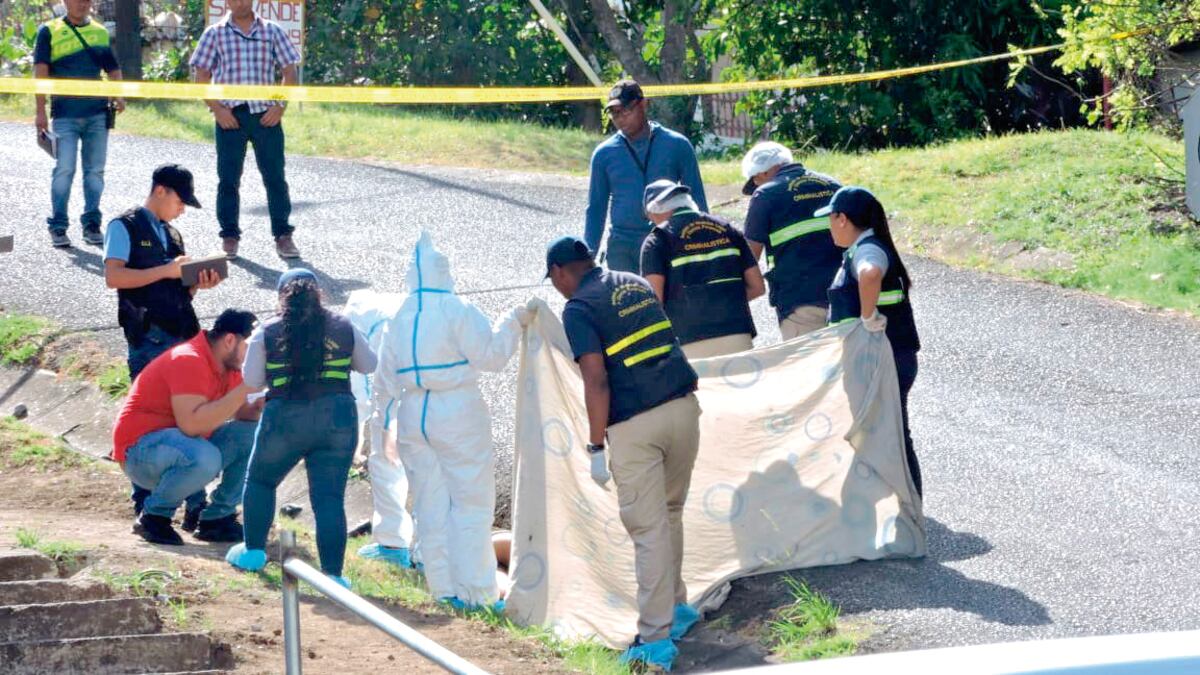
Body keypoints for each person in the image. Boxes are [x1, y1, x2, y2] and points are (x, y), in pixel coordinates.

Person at [546, 235, 702, 671]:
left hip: (638, 424)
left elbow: (596, 381)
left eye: (554, 280)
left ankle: (654, 639)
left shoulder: (578, 308)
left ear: (561, 272)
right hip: (684, 408)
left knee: (648, 530)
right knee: (670, 512)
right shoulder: (633, 282)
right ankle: (678, 608)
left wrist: (596, 444)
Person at [370, 232, 528, 609]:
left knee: (430, 505)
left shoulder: (399, 315)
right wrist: (514, 321)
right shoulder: (458, 310)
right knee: (471, 505)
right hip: (457, 413)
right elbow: (492, 357)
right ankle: (478, 594)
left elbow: (384, 382)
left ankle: (443, 589)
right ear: (445, 272)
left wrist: (384, 427)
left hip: (413, 414)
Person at [225, 269, 377, 588]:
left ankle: (253, 552)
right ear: (319, 293)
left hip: (285, 419)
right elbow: (369, 364)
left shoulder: (267, 331)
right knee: (329, 498)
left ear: (282, 297)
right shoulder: (343, 325)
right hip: (338, 419)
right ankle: (334, 575)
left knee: (261, 480)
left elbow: (252, 380)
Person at [105, 164, 220, 529]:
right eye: (180, 200)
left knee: (191, 419)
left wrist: (196, 282)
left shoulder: (173, 235)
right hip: (149, 337)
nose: (182, 209)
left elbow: (177, 286)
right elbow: (114, 276)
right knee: (152, 422)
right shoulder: (122, 226)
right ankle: (148, 502)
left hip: (181, 335)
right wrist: (167, 271)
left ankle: (193, 503)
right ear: (160, 191)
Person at [111, 310, 260, 546]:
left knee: (255, 437)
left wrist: (266, 400)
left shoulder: (230, 366)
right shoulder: (188, 358)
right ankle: (153, 516)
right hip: (139, 453)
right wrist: (246, 388)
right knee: (205, 456)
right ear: (230, 340)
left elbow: (243, 415)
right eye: (251, 348)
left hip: (177, 451)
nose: (254, 358)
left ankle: (216, 519)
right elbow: (191, 426)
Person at [817, 186, 924, 496]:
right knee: (889, 434)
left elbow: (870, 274)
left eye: (830, 219)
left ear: (842, 219)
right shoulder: (867, 246)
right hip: (890, 357)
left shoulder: (867, 250)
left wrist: (867, 317)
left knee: (887, 437)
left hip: (880, 360)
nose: (828, 227)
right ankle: (899, 510)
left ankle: (903, 512)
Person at [189, 0, 302, 260]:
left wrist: (280, 106)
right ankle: (229, 236)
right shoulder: (214, 33)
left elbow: (289, 72)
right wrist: (217, 109)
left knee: (275, 177)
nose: (240, 2)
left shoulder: (272, 30)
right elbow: (201, 77)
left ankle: (283, 235)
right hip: (231, 118)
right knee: (228, 179)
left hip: (266, 117)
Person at [585, 80, 708, 273]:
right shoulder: (603, 154)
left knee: (666, 301)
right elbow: (596, 209)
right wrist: (588, 258)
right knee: (627, 302)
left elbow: (697, 199)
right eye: (614, 113)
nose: (620, 119)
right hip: (622, 246)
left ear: (644, 104)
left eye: (625, 110)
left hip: (666, 239)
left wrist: (704, 244)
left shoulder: (677, 145)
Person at [33, 0, 124, 249]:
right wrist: (40, 111)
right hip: (65, 115)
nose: (81, 4)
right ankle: (58, 225)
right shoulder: (48, 31)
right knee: (64, 169)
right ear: (65, 2)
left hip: (97, 114)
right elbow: (39, 72)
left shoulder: (99, 32)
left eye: (86, 0)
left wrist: (118, 94)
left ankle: (92, 223)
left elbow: (113, 69)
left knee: (95, 171)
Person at [639, 179, 764, 359]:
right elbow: (757, 287)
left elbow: (654, 301)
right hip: (737, 334)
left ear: (654, 211)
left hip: (689, 340)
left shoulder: (657, 240)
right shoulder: (728, 229)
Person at [741, 142, 843, 339]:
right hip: (845, 294)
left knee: (808, 367)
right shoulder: (833, 184)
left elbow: (749, 256)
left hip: (800, 300)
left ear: (760, 174)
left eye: (755, 181)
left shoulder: (765, 195)